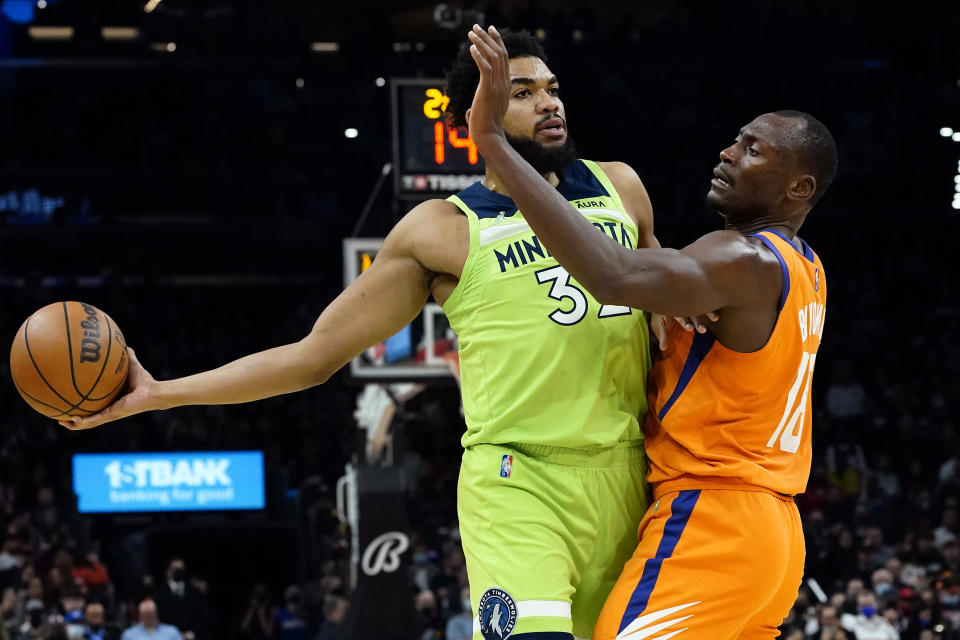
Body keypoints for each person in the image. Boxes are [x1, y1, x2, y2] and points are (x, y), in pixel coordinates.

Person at [60, 27, 688, 639]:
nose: (548, 102)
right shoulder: (441, 229)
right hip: (518, 481)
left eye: (550, 88)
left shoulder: (620, 187)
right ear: (475, 115)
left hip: (632, 474)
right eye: (520, 92)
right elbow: (311, 358)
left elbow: (668, 305)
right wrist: (159, 393)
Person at [465, 24, 837, 639]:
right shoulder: (804, 267)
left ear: (798, 187)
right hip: (772, 536)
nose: (727, 153)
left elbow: (610, 275)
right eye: (734, 141)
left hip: (712, 516)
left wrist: (494, 145)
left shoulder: (738, 257)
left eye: (752, 150)